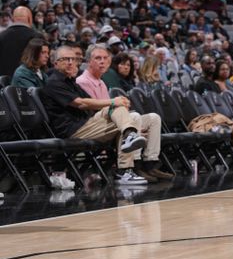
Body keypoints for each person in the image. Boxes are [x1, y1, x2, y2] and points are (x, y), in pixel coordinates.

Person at [41, 45, 152, 185]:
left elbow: (95, 104)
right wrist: (114, 102)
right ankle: (129, 145)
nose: (70, 62)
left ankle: (126, 169)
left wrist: (116, 105)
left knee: (124, 118)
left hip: (85, 125)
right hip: (72, 130)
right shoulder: (54, 82)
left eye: (73, 59)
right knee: (116, 107)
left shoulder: (71, 82)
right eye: (65, 59)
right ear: (55, 63)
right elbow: (82, 103)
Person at [76, 45, 171, 182]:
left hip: (112, 122)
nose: (102, 61)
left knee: (153, 118)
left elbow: (110, 109)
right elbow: (94, 111)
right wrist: (130, 123)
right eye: (98, 58)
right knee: (134, 116)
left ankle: (150, 163)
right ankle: (133, 165)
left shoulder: (101, 82)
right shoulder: (82, 81)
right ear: (88, 61)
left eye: (105, 58)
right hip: (96, 125)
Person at [0, 6, 41, 77]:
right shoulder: (37, 37)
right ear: (29, 18)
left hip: (3, 83)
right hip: (28, 82)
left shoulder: (1, 35)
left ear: (13, 19)